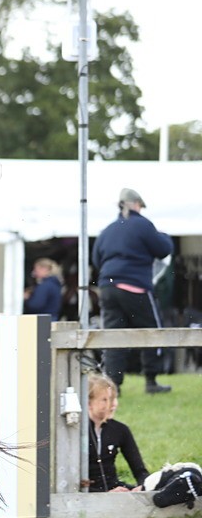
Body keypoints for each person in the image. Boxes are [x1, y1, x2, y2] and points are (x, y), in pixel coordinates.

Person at [92, 188, 174, 394]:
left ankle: (113, 387)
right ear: (137, 204)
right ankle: (151, 381)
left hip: (108, 287)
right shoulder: (143, 225)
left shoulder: (107, 230)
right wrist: (164, 236)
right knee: (151, 331)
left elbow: (95, 259)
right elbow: (163, 249)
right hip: (135, 286)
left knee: (114, 336)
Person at [86, 373, 149, 492]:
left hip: (115, 489)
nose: (113, 404)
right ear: (89, 403)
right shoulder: (76, 433)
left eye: (114, 398)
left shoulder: (121, 430)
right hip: (86, 494)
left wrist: (142, 487)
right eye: (105, 400)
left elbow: (140, 471)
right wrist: (105, 494)